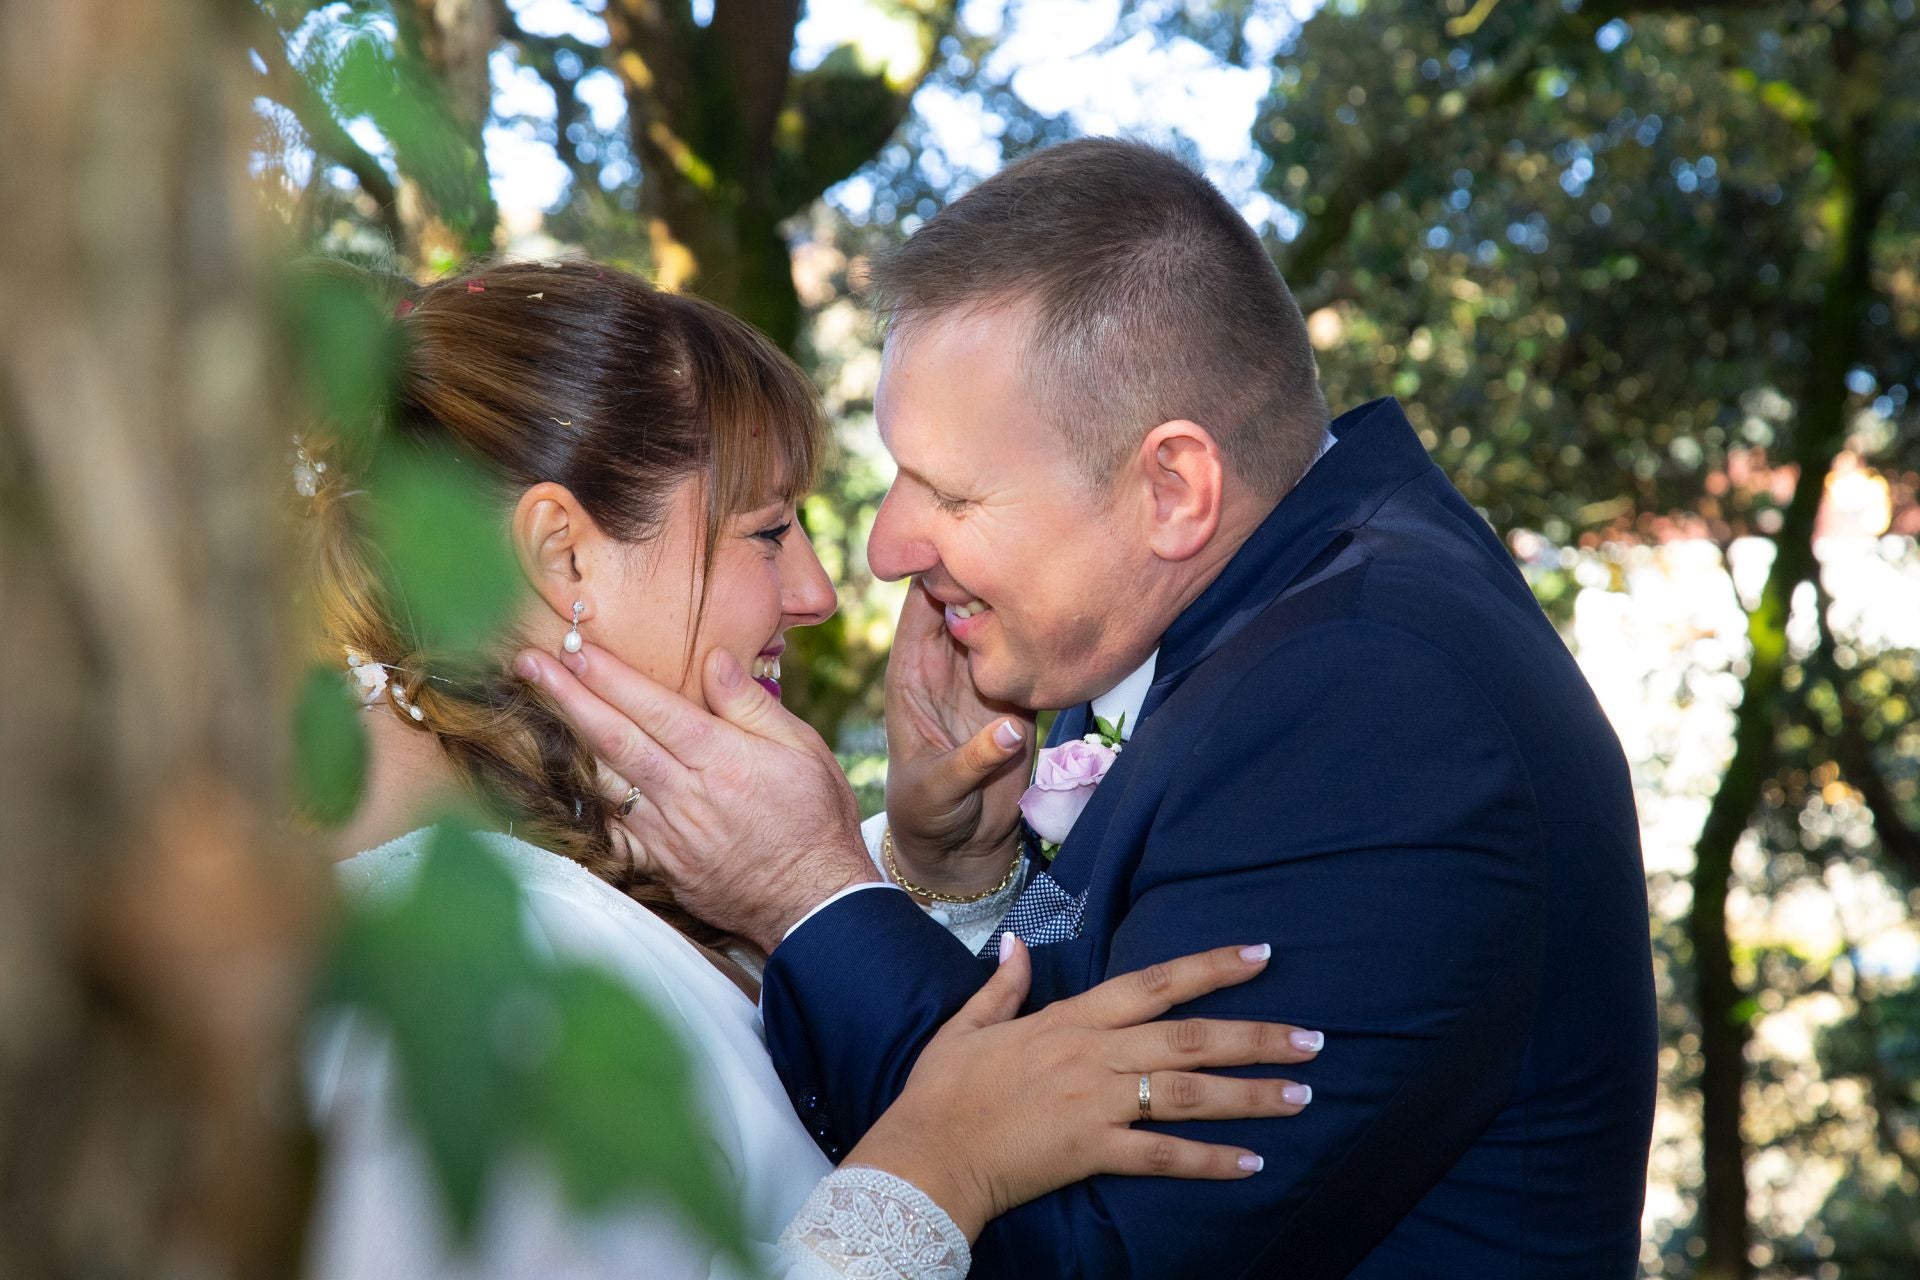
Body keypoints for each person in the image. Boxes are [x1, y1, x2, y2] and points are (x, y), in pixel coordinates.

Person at [521, 138, 1659, 1278]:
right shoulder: (1217, 630)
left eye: (953, 493)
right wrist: (956, 874)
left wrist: (808, 894)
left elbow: (1088, 1246)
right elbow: (1057, 1062)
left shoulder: (1372, 698)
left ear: (1171, 489)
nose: (882, 548)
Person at [296, 260, 1324, 1280]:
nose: (821, 590)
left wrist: (931, 869)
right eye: (768, 531)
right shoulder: (451, 980)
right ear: (564, 555)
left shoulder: (542, 866)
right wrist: (943, 1163)